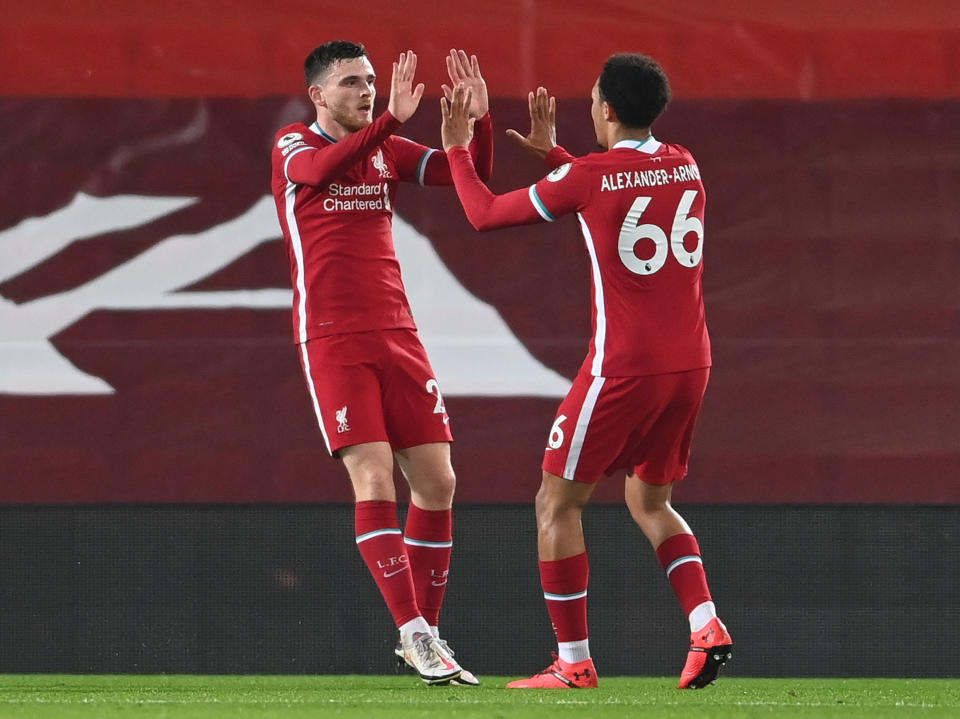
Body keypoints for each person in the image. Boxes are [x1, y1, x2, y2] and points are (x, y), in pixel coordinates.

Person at [439, 54, 732, 689]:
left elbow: (484, 214)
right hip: (692, 363)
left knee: (556, 503)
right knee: (649, 499)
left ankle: (574, 664)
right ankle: (706, 623)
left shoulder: (593, 175)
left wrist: (459, 149)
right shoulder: (685, 162)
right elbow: (619, 188)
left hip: (623, 368)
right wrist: (556, 156)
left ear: (604, 109)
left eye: (593, 97)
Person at [269, 41, 492, 686]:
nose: (365, 92)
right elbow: (316, 173)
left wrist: (474, 126)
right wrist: (391, 119)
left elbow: (463, 178)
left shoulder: (384, 151)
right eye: (350, 83)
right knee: (374, 481)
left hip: (398, 333)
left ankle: (427, 634)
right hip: (333, 339)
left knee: (439, 483)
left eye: (370, 82)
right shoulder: (292, 145)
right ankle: (415, 633)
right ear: (317, 95)